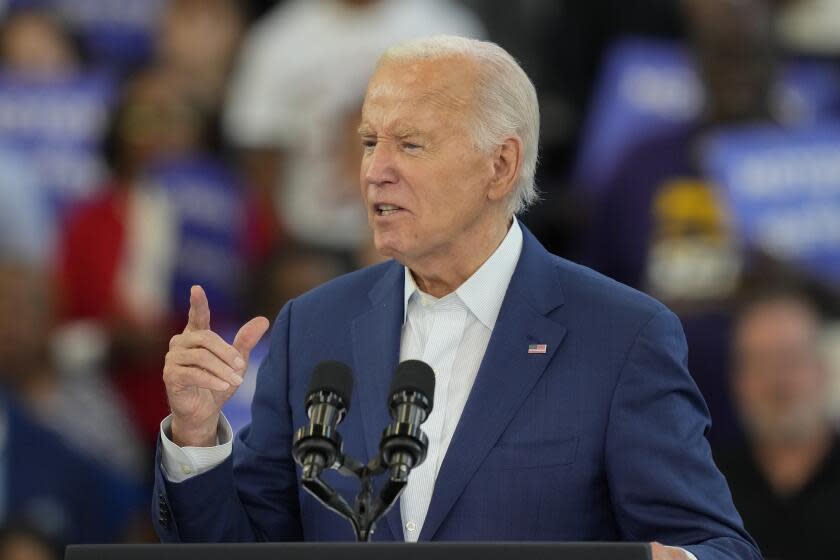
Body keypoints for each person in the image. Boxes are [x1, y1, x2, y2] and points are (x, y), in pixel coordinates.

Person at [154, 36, 760, 560]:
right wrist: (197, 437)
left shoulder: (622, 336)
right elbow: (246, 547)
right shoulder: (311, 326)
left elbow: (717, 545)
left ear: (500, 165)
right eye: (370, 142)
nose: (375, 171)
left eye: (410, 145)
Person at [716, 285, 840, 559]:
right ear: (738, 382)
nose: (778, 382)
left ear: (823, 370)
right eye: (761, 363)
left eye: (791, 359)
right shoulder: (709, 487)